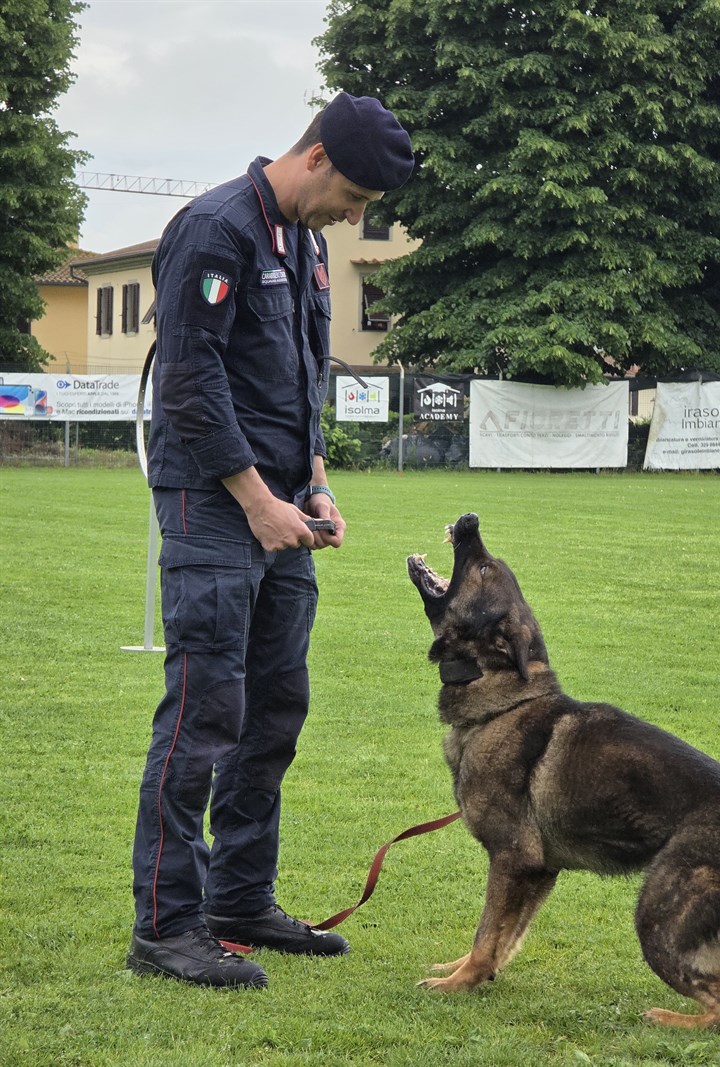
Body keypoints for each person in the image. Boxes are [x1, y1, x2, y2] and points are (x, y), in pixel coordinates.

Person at [127, 93, 415, 988]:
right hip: (216, 502)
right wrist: (255, 498)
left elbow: (302, 376)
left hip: (285, 504)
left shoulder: (309, 243)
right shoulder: (215, 229)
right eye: (357, 198)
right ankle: (168, 927)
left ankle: (240, 899)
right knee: (205, 711)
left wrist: (317, 479)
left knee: (272, 708)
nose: (356, 219)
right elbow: (189, 379)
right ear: (317, 157)